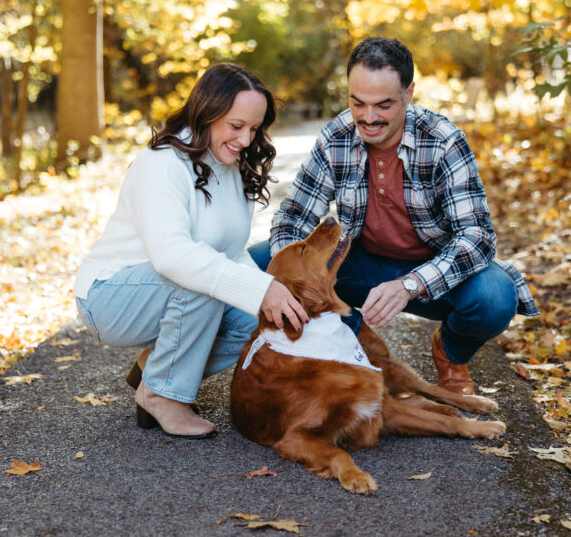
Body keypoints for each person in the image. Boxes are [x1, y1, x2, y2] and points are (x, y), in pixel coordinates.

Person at [249, 37, 537, 395]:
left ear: (408, 93)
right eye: (358, 103)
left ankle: (451, 352)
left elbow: (476, 237)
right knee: (260, 263)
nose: (368, 118)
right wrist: (292, 280)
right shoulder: (336, 136)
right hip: (360, 266)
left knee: (496, 296)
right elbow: (294, 218)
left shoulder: (443, 139)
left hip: (436, 273)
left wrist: (410, 285)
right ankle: (342, 335)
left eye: (383, 105)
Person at [74, 63, 307, 439]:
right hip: (108, 295)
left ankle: (156, 367)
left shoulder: (230, 163)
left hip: (165, 292)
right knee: (202, 281)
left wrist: (269, 294)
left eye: (254, 128)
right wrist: (261, 289)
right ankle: (162, 394)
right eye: (236, 126)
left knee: (260, 325)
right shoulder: (163, 164)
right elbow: (173, 257)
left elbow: (231, 253)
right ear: (207, 113)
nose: (247, 139)